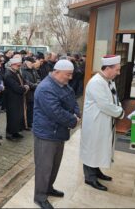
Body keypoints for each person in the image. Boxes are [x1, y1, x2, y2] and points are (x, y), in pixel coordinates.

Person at [32, 59, 80, 209]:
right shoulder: (46, 88)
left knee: (54, 165)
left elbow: (74, 100)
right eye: (68, 75)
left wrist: (77, 113)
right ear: (57, 72)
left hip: (58, 132)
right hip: (46, 134)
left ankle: (48, 187)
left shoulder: (63, 85)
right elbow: (55, 112)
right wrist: (73, 120)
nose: (70, 78)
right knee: (44, 167)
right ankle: (40, 196)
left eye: (71, 75)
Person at [80, 55, 124, 191]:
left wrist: (119, 107)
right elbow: (105, 104)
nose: (119, 73)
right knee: (92, 149)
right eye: (117, 70)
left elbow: (114, 99)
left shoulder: (109, 81)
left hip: (103, 121)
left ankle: (96, 171)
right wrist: (121, 112)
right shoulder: (96, 82)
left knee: (98, 148)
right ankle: (89, 178)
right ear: (108, 68)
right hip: (95, 123)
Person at [4, 55, 29, 141]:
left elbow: (24, 82)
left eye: (20, 65)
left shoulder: (17, 72)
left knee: (18, 116)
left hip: (18, 98)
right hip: (12, 99)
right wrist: (25, 88)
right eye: (18, 65)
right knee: (12, 116)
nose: (19, 67)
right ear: (13, 64)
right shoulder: (8, 74)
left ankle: (16, 132)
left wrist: (25, 86)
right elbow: (16, 88)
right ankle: (9, 133)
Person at [21, 57, 41, 130]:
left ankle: (31, 122)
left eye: (33, 63)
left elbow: (38, 78)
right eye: (31, 63)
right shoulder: (22, 70)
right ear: (26, 62)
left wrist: (38, 84)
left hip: (34, 92)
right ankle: (27, 124)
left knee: (32, 108)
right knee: (27, 109)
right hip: (27, 92)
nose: (32, 64)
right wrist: (35, 85)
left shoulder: (33, 69)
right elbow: (25, 81)